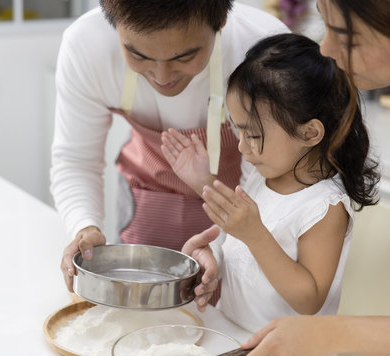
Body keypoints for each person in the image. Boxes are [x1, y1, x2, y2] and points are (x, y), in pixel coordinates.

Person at [182, 0, 390, 356]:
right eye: (238, 131)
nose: (243, 147)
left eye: (254, 135)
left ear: (310, 133)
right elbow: (239, 243)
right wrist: (213, 252)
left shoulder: (325, 206)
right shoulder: (263, 175)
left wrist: (255, 234)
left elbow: (309, 299)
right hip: (235, 340)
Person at [50, 0, 289, 292]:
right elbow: (76, 160)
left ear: (221, 22)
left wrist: (222, 246)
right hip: (147, 203)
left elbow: (272, 187)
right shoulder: (87, 46)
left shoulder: (264, 49)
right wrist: (84, 226)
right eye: (138, 55)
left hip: (247, 213)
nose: (162, 78)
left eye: (185, 56)